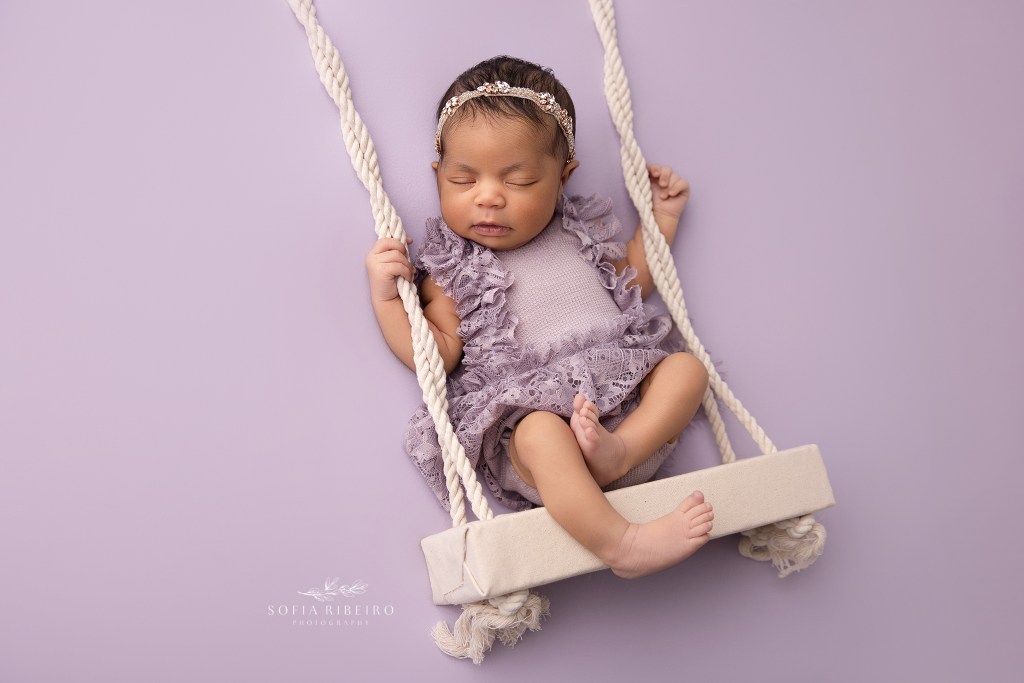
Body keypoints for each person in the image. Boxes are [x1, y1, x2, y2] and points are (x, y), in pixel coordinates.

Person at [366, 56, 713, 578]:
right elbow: (435, 354)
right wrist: (388, 300)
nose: (488, 197)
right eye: (463, 179)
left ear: (562, 178)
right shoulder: (453, 267)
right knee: (540, 434)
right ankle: (622, 544)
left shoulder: (578, 234)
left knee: (687, 371)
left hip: (623, 412)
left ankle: (620, 453)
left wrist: (661, 217)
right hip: (537, 435)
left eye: (520, 180)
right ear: (439, 175)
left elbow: (632, 283)